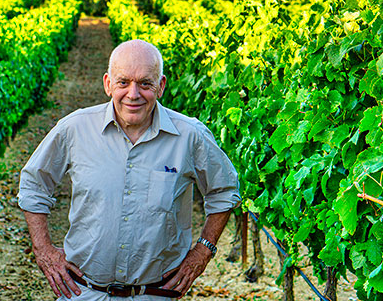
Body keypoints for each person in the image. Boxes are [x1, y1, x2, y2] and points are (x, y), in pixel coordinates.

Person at [17, 39, 240, 300]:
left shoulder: (190, 136)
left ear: (161, 86)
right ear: (107, 84)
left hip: (155, 294)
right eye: (123, 82)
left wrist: (203, 251)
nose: (133, 94)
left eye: (145, 83)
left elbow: (224, 191)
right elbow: (34, 183)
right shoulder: (74, 128)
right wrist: (43, 249)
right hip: (83, 292)